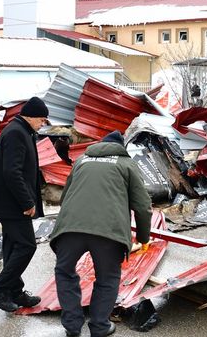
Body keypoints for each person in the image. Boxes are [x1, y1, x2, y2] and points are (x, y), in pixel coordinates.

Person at [50, 130, 153, 337]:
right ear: (120, 147)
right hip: (109, 232)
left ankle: (72, 325)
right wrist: (143, 238)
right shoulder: (126, 164)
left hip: (70, 229)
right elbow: (143, 207)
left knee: (64, 272)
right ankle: (99, 326)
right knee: (107, 278)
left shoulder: (81, 161)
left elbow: (65, 196)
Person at [0, 97, 50, 312]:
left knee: (13, 246)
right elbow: (12, 172)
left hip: (11, 203)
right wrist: (27, 201)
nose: (42, 124)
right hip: (13, 204)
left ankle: (14, 291)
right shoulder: (15, 133)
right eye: (41, 120)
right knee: (26, 246)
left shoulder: (22, 131)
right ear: (30, 116)